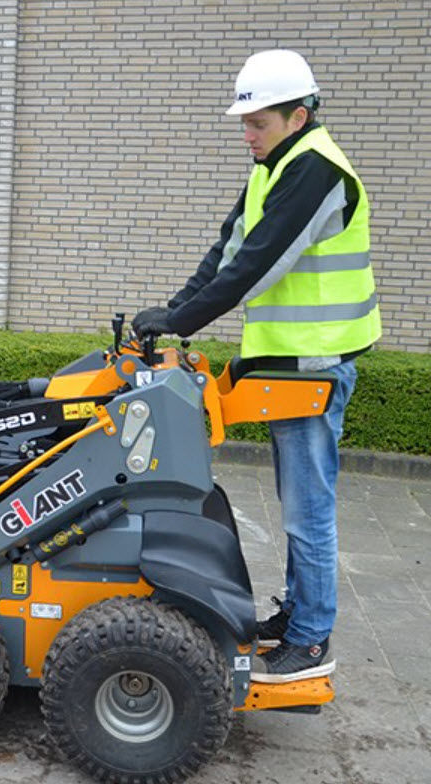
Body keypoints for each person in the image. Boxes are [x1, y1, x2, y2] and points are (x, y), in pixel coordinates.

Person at [132, 49, 382, 683]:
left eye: (258, 123)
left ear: (299, 116)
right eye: (245, 123)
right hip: (287, 363)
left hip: (315, 366)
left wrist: (183, 320)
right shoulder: (275, 166)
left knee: (307, 509)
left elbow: (257, 265)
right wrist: (172, 311)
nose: (247, 134)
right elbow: (228, 248)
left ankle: (310, 640)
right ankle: (298, 617)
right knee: (295, 503)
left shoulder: (317, 171)